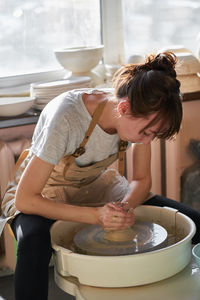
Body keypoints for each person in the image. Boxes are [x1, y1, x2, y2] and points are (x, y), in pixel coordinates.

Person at [0, 52, 200, 300]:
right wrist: (96, 216)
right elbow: (26, 199)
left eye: (154, 135)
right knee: (33, 240)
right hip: (44, 191)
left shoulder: (140, 113)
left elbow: (141, 181)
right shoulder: (66, 117)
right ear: (123, 108)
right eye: (146, 132)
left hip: (96, 186)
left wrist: (124, 207)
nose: (148, 140)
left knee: (195, 223)